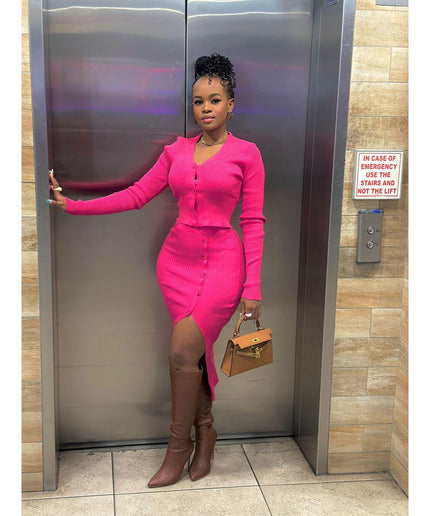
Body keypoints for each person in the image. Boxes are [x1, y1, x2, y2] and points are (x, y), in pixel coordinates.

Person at [48, 53, 266, 488]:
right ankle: (205, 434)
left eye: (215, 100)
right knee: (192, 355)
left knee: (183, 350)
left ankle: (177, 447)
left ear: (231, 104)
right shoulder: (175, 152)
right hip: (175, 264)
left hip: (224, 266)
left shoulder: (248, 154)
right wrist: (74, 206)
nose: (205, 108)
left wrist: (253, 285)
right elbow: (135, 195)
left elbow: (254, 220)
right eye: (198, 101)